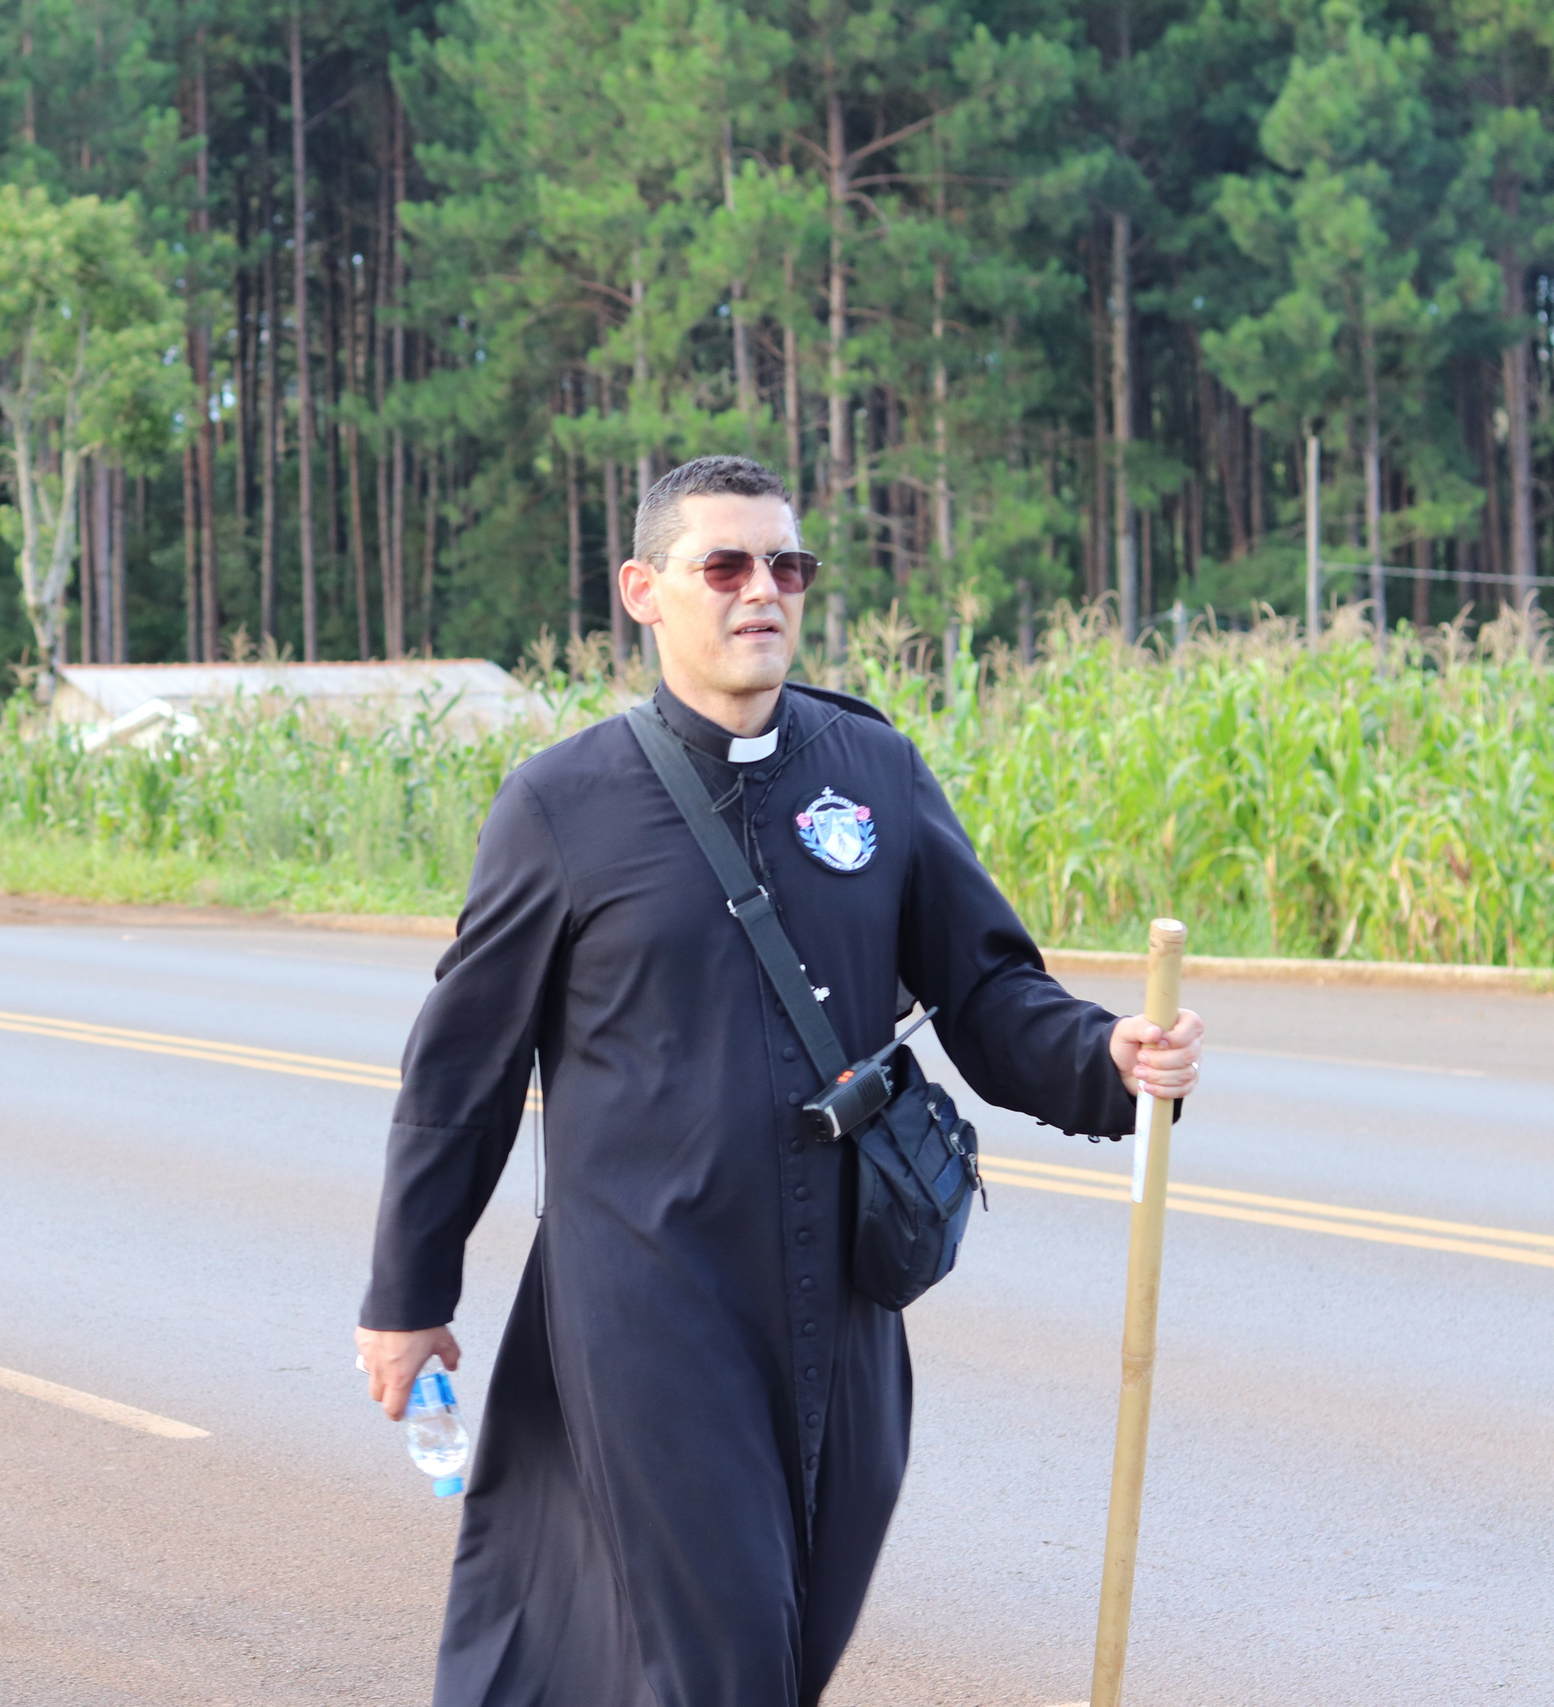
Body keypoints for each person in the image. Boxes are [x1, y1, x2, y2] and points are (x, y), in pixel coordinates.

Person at [353, 454, 1205, 1706]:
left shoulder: (871, 769)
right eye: (727, 565)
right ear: (645, 590)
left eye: (786, 566)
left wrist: (1106, 1056)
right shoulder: (561, 806)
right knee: (730, 1655)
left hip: (847, 1295)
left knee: (786, 1643)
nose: (764, 590)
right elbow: (460, 1075)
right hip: (648, 1298)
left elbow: (982, 988)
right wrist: (406, 1294)